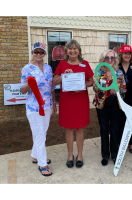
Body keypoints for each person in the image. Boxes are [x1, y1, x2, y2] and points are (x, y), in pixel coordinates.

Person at [52, 39, 94, 168]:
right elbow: (54, 82)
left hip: (80, 100)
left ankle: (79, 155)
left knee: (80, 128)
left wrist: (81, 86)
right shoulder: (62, 64)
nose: (72, 51)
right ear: (67, 51)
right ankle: (70, 155)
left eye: (75, 48)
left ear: (79, 51)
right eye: (70, 49)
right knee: (69, 129)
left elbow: (91, 81)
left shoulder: (85, 64)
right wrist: (63, 75)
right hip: (67, 101)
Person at [20, 42, 57, 176]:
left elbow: (51, 87)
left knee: (43, 132)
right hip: (34, 107)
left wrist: (54, 103)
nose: (38, 54)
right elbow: (23, 90)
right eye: (36, 52)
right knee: (39, 134)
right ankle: (42, 164)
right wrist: (30, 84)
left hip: (47, 105)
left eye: (41, 52)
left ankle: (35, 155)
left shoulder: (48, 68)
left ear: (44, 54)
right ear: (32, 53)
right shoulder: (27, 69)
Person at [93, 49, 126, 166]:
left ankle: (115, 154)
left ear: (115, 59)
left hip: (116, 104)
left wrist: (117, 91)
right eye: (107, 58)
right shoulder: (99, 73)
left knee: (115, 129)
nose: (110, 60)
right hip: (102, 104)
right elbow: (95, 90)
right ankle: (105, 155)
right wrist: (97, 86)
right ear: (103, 59)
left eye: (112, 58)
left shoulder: (119, 73)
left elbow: (124, 89)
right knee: (104, 129)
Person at [118, 45, 132, 154]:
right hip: (120, 99)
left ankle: (130, 143)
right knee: (120, 121)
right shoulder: (117, 66)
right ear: (121, 54)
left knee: (131, 121)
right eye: (125, 53)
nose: (127, 55)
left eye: (129, 53)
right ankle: (121, 142)